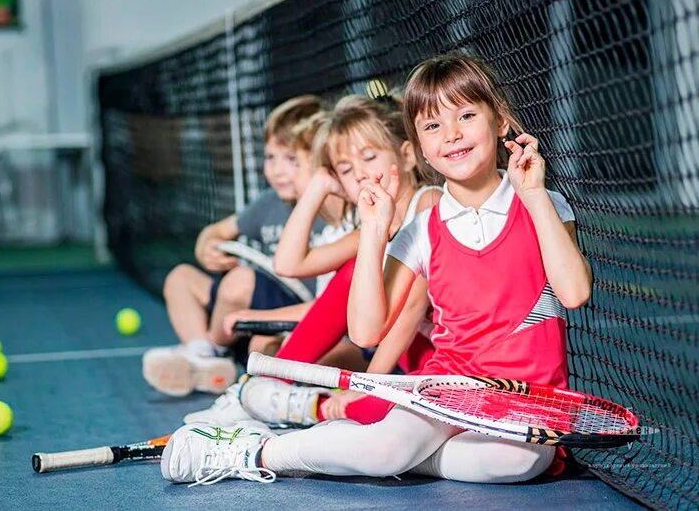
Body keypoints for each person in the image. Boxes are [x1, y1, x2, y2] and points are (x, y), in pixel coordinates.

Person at [160, 52, 592, 486]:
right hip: (448, 385)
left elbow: (574, 293)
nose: (452, 135)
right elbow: (366, 333)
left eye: (466, 115)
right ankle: (253, 451)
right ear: (419, 146)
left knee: (516, 462)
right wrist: (373, 231)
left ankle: (379, 450)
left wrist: (533, 195)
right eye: (432, 126)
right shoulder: (423, 228)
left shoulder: (544, 203)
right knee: (386, 449)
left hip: (528, 397)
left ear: (500, 120)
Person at [183, 91, 441, 429]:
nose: (359, 174)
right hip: (404, 355)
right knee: (352, 274)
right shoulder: (371, 226)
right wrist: (319, 185)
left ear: (406, 156)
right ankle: (266, 392)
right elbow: (289, 265)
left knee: (353, 280)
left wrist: (368, 385)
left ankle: (273, 394)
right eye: (345, 168)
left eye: (369, 157)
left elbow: (410, 311)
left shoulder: (428, 203)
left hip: (442, 359)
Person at [142, 95, 326, 397]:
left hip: (292, 312)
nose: (277, 170)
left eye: (291, 159)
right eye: (270, 157)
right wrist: (207, 246)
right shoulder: (268, 204)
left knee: (249, 307)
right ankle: (204, 352)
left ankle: (209, 353)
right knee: (180, 279)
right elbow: (217, 231)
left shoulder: (331, 209)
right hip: (242, 310)